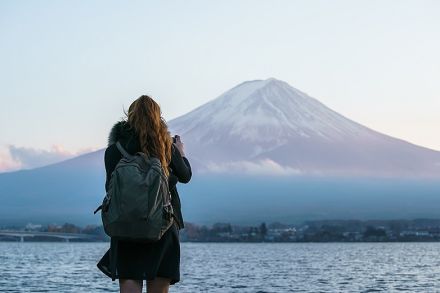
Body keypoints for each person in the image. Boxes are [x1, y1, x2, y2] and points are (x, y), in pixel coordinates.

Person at [97, 95, 192, 293]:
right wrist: (180, 153)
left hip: (125, 228)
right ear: (158, 118)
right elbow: (185, 176)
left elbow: (110, 188)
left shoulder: (114, 150)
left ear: (129, 117)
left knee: (130, 283)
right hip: (163, 226)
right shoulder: (167, 147)